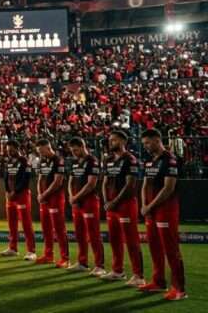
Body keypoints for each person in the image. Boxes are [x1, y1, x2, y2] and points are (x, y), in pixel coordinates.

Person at [139, 129, 187, 300]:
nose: (145, 146)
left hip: (166, 209)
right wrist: (144, 205)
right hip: (150, 210)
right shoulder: (149, 161)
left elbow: (168, 188)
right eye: (144, 143)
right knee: (154, 247)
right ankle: (158, 282)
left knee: (171, 249)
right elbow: (144, 184)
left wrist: (149, 206)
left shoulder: (170, 159)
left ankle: (179, 289)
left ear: (157, 140)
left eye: (148, 143)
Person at [101, 131, 144, 285]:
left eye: (114, 140)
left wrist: (115, 201)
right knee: (114, 239)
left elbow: (130, 184)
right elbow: (105, 182)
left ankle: (138, 276)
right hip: (111, 205)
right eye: (110, 140)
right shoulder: (108, 159)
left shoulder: (130, 159)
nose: (110, 142)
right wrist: (107, 201)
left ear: (123, 141)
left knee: (131, 240)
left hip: (126, 204)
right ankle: (117, 271)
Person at [67, 137, 106, 276]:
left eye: (75, 150)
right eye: (72, 150)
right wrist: (71, 196)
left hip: (89, 201)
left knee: (93, 234)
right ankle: (82, 262)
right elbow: (70, 180)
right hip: (76, 202)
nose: (74, 153)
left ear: (83, 146)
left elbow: (91, 184)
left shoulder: (92, 161)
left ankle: (99, 266)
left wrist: (76, 197)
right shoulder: (74, 162)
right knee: (79, 233)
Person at [34, 139, 70, 268]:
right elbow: (40, 179)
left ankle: (65, 259)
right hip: (44, 199)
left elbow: (58, 181)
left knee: (59, 229)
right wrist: (40, 194)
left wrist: (44, 194)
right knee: (46, 228)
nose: (40, 153)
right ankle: (48, 255)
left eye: (41, 151)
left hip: (55, 197)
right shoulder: (42, 161)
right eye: (38, 151)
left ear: (48, 148)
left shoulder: (58, 160)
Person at [0, 140, 36, 261]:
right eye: (7, 150)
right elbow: (6, 178)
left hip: (22, 195)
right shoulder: (8, 161)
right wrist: (7, 192)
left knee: (26, 224)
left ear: (17, 148)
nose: (9, 152)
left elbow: (26, 179)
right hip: (10, 196)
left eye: (11, 150)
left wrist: (15, 192)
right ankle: (13, 248)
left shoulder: (25, 161)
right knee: (12, 223)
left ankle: (31, 251)